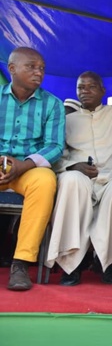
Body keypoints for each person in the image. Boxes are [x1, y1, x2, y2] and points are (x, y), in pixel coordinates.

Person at [46, 71, 112, 286]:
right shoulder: (67, 120)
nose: (85, 91)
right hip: (79, 175)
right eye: (80, 87)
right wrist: (73, 166)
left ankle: (106, 260)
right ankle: (71, 264)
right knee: (70, 182)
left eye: (91, 87)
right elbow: (56, 154)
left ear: (103, 91)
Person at [0, 47, 65, 291]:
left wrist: (22, 165)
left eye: (42, 69)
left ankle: (21, 263)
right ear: (12, 68)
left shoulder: (52, 104)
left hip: (27, 169)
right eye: (31, 67)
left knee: (45, 181)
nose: (38, 72)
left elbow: (55, 146)